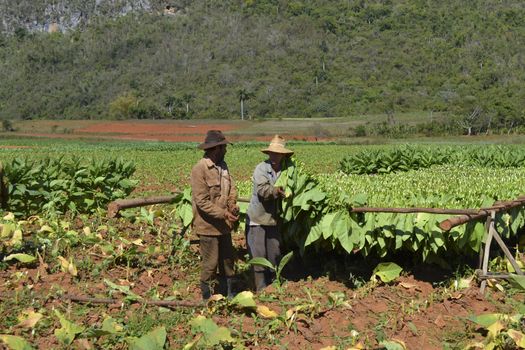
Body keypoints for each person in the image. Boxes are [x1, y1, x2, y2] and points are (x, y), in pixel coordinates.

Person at [190, 130, 239, 299]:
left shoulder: (223, 167)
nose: (226, 150)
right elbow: (202, 202)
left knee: (227, 262)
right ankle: (207, 297)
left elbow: (232, 187)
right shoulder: (200, 169)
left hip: (224, 226)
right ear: (217, 149)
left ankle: (230, 294)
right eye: (224, 147)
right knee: (210, 265)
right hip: (208, 227)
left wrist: (232, 205)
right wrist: (224, 214)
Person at [246, 135, 293, 291]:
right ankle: (260, 287)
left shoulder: (288, 170)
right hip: (258, 218)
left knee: (274, 252)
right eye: (272, 153)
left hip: (274, 219)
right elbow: (262, 190)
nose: (274, 156)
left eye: (278, 153)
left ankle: (274, 285)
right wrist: (276, 191)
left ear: (283, 155)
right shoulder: (261, 168)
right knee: (259, 254)